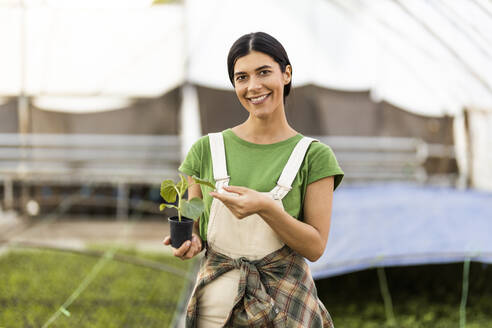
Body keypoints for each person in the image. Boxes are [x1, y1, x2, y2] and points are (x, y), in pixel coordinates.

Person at [163, 31, 344, 327]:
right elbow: (194, 225)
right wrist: (190, 241)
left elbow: (315, 247)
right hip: (215, 308)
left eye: (263, 73)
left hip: (284, 307)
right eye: (241, 77)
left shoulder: (314, 156)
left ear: (286, 74)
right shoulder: (207, 150)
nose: (253, 86)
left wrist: (267, 208)